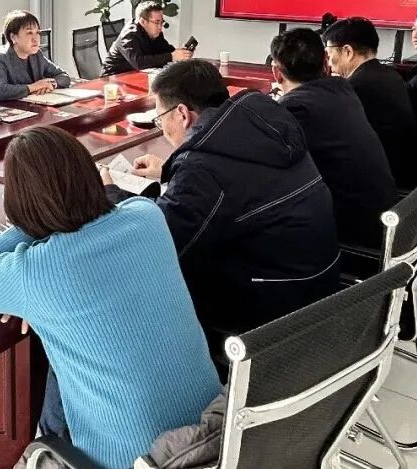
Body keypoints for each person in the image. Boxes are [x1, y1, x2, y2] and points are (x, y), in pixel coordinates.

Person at [0, 126, 220, 469]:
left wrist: (32, 224)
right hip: (216, 434)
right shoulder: (147, 215)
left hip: (136, 461)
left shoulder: (38, 270)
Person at [102, 60, 340, 373]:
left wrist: (110, 194)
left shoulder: (204, 169)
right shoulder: (262, 124)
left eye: (160, 119)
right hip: (320, 291)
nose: (163, 129)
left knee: (131, 285)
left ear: (182, 114)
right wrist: (171, 172)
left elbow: (158, 244)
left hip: (271, 317)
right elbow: (241, 186)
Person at [271, 28, 397, 258]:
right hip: (386, 221)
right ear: (325, 64)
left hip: (354, 235)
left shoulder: (295, 109)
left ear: (276, 73)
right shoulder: (344, 90)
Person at [323, 17, 417, 188]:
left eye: (329, 52)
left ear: (347, 51)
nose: (328, 59)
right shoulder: (389, 74)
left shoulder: (355, 87)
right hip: (410, 172)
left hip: (384, 180)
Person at [0, 10, 71, 102]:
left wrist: (51, 84)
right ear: (13, 37)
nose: (36, 39)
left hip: (28, 106)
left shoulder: (36, 55)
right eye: (29, 33)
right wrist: (33, 87)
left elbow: (63, 76)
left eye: (37, 33)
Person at [100, 1, 192, 76]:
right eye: (157, 22)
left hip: (135, 76)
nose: (160, 27)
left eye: (162, 22)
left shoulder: (156, 32)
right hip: (113, 78)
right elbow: (138, 62)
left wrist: (182, 53)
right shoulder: (129, 35)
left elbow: (165, 50)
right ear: (143, 22)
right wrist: (172, 56)